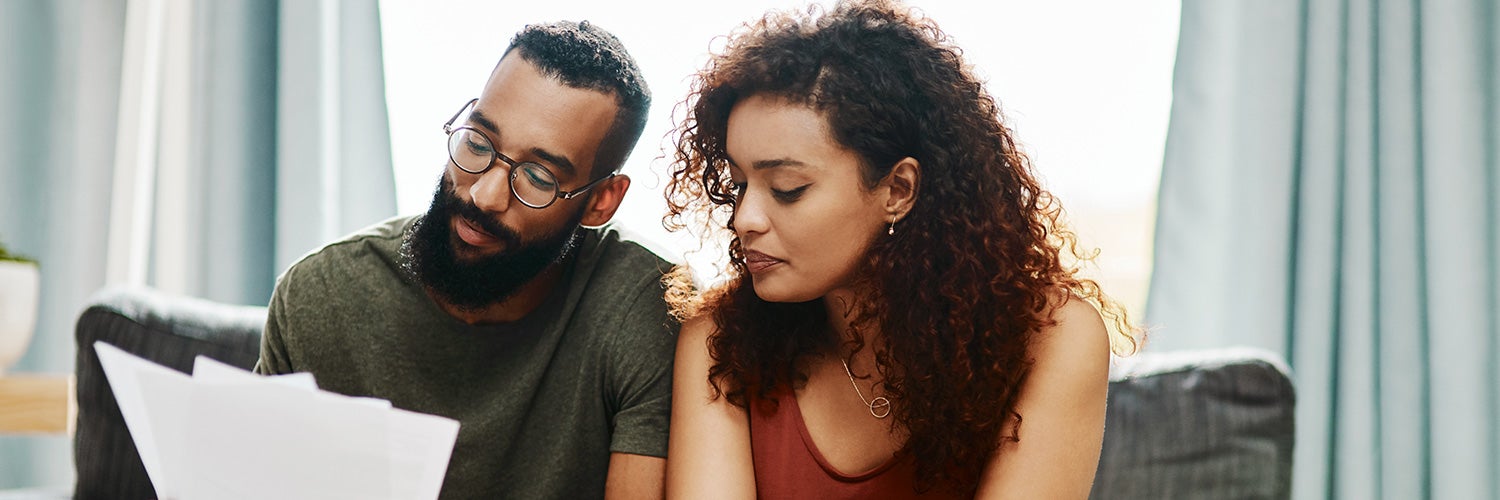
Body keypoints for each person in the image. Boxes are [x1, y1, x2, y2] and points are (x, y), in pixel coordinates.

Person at [661, 1, 1140, 498]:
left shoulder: (1051, 340)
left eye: (786, 188)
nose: (745, 219)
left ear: (898, 189)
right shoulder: (720, 341)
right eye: (738, 185)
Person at [255, 20, 676, 499]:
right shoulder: (319, 297)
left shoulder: (646, 310)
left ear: (601, 200)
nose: (484, 194)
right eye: (478, 144)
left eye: (537, 177)